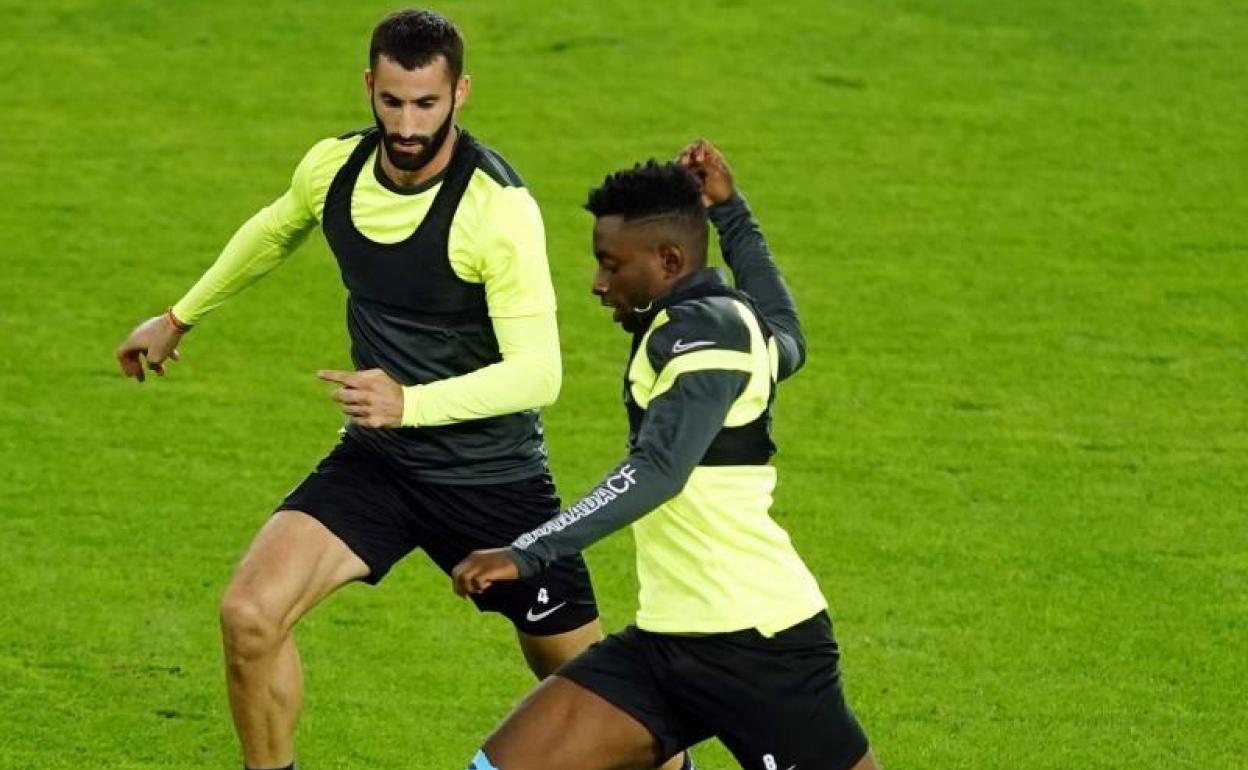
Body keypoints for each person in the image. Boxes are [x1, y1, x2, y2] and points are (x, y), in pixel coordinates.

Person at [114, 10, 609, 770]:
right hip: (379, 464)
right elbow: (278, 227)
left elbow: (539, 373)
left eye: (427, 105)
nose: (407, 126)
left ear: (460, 94)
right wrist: (181, 316)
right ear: (370, 87)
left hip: (491, 481)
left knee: (594, 697)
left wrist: (408, 402)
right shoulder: (335, 168)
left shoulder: (496, 209)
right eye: (392, 102)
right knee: (249, 616)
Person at [452, 141, 882, 770]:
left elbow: (659, 470)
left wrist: (527, 552)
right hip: (665, 644)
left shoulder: (706, 335)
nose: (598, 284)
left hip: (758, 646)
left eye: (611, 265)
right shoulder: (722, 324)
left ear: (670, 260)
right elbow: (788, 337)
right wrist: (730, 212)